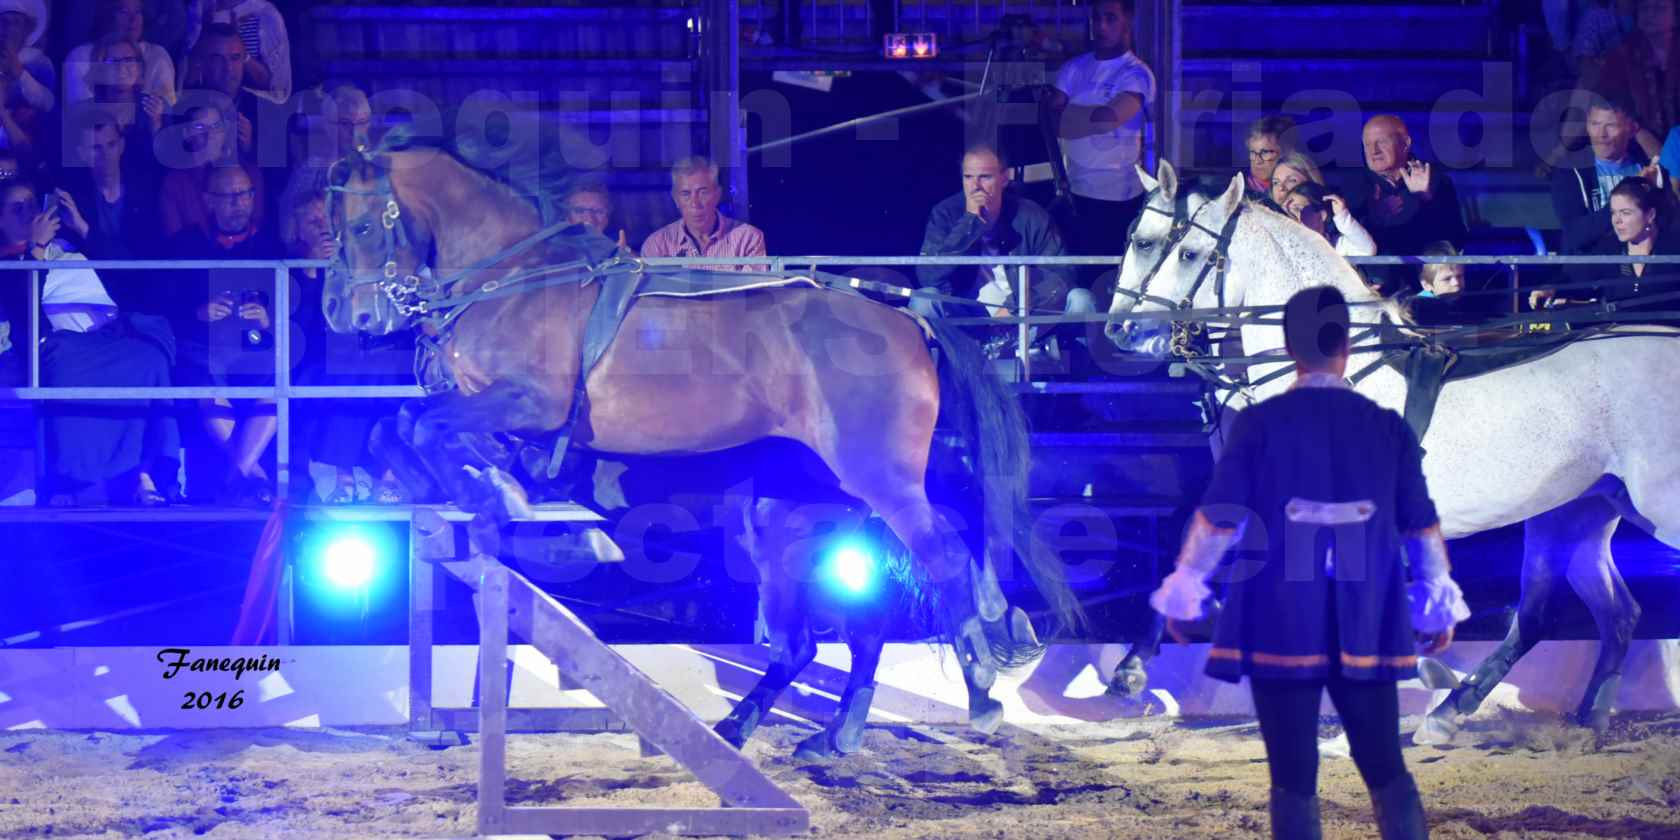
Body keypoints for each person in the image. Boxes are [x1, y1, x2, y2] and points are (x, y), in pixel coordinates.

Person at [1150, 285, 1470, 839]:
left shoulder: (1258, 423)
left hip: (1281, 617)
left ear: (1286, 346)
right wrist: (1437, 606)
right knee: (1385, 767)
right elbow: (1422, 524)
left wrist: (1186, 589)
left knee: (1293, 779)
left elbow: (1217, 519)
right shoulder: (1388, 426)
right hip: (1366, 613)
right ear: (1347, 344)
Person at [1, 179, 180, 506]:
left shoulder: (68, 247)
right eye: (16, 208)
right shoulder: (7, 260)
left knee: (149, 357)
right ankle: (73, 480)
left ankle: (151, 471)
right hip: (59, 344)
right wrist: (35, 251)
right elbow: (20, 308)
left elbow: (130, 276)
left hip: (110, 334)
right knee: (62, 366)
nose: (28, 213)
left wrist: (83, 228)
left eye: (31, 204)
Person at [165, 164, 281, 505]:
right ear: (209, 200)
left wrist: (266, 320)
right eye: (229, 196)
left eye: (245, 194)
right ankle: (255, 476)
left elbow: (290, 311)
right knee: (202, 381)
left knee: (278, 380)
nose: (239, 203)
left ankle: (235, 477)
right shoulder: (185, 244)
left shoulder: (271, 243)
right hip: (202, 342)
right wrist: (199, 313)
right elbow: (164, 306)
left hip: (254, 342)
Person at [915, 143, 1093, 356]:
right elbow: (928, 276)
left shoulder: (1031, 215)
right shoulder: (945, 214)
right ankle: (933, 380)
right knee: (924, 299)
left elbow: (1061, 273)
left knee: (1081, 300)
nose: (975, 187)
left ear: (1004, 178)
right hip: (966, 315)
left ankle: (1077, 385)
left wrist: (1015, 307)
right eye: (968, 177)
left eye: (985, 177)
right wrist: (969, 223)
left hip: (1024, 315)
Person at [1039, 0, 1157, 280]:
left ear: (1127, 20)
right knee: (1077, 276)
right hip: (1075, 193)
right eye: (1096, 18)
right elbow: (1048, 119)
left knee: (1109, 277)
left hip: (1118, 198)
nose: (1101, 26)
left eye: (1110, 18)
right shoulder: (1074, 68)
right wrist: (1080, 119)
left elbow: (1108, 119)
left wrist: (1066, 117)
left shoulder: (1136, 73)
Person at [1339, 115, 1467, 294]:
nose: (1373, 151)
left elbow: (1455, 239)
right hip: (1377, 290)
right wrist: (1373, 219)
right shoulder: (1353, 186)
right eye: (1367, 144)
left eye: (1381, 142)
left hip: (1426, 291)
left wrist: (1426, 200)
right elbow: (1341, 241)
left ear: (1405, 143)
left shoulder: (1435, 181)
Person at [1546, 177, 1680, 318]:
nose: (1617, 220)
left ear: (1650, 215)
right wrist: (1551, 289)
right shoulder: (1608, 250)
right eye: (1613, 213)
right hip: (1617, 336)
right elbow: (1573, 278)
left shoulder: (1674, 249)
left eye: (1625, 213)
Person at [1553, 96, 1660, 253]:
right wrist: (1631, 195)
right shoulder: (1570, 171)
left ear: (1631, 129)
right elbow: (1575, 235)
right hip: (1594, 267)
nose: (1601, 134)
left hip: (1644, 260)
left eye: (1611, 125)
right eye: (1595, 124)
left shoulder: (1644, 166)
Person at [640, 156, 766, 271]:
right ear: (675, 199)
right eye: (686, 194)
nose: (695, 204)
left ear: (717, 195)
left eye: (703, 192)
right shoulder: (656, 246)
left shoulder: (748, 239)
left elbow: (753, 294)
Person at [62, 0, 177, 109]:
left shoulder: (158, 55)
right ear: (107, 15)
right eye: (123, 11)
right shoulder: (80, 56)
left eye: (138, 12)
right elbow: (81, 114)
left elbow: (166, 111)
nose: (133, 19)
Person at [1281, 181, 1378, 258]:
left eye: (1297, 209)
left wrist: (1342, 216)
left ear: (1321, 215)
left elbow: (1367, 250)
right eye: (1288, 211)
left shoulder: (1338, 245)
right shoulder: (1286, 246)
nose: (1292, 216)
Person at [1244, 115, 1297, 203]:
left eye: (1265, 152)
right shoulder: (1238, 191)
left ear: (1287, 153)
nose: (1257, 161)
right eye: (1253, 152)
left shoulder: (1301, 189)